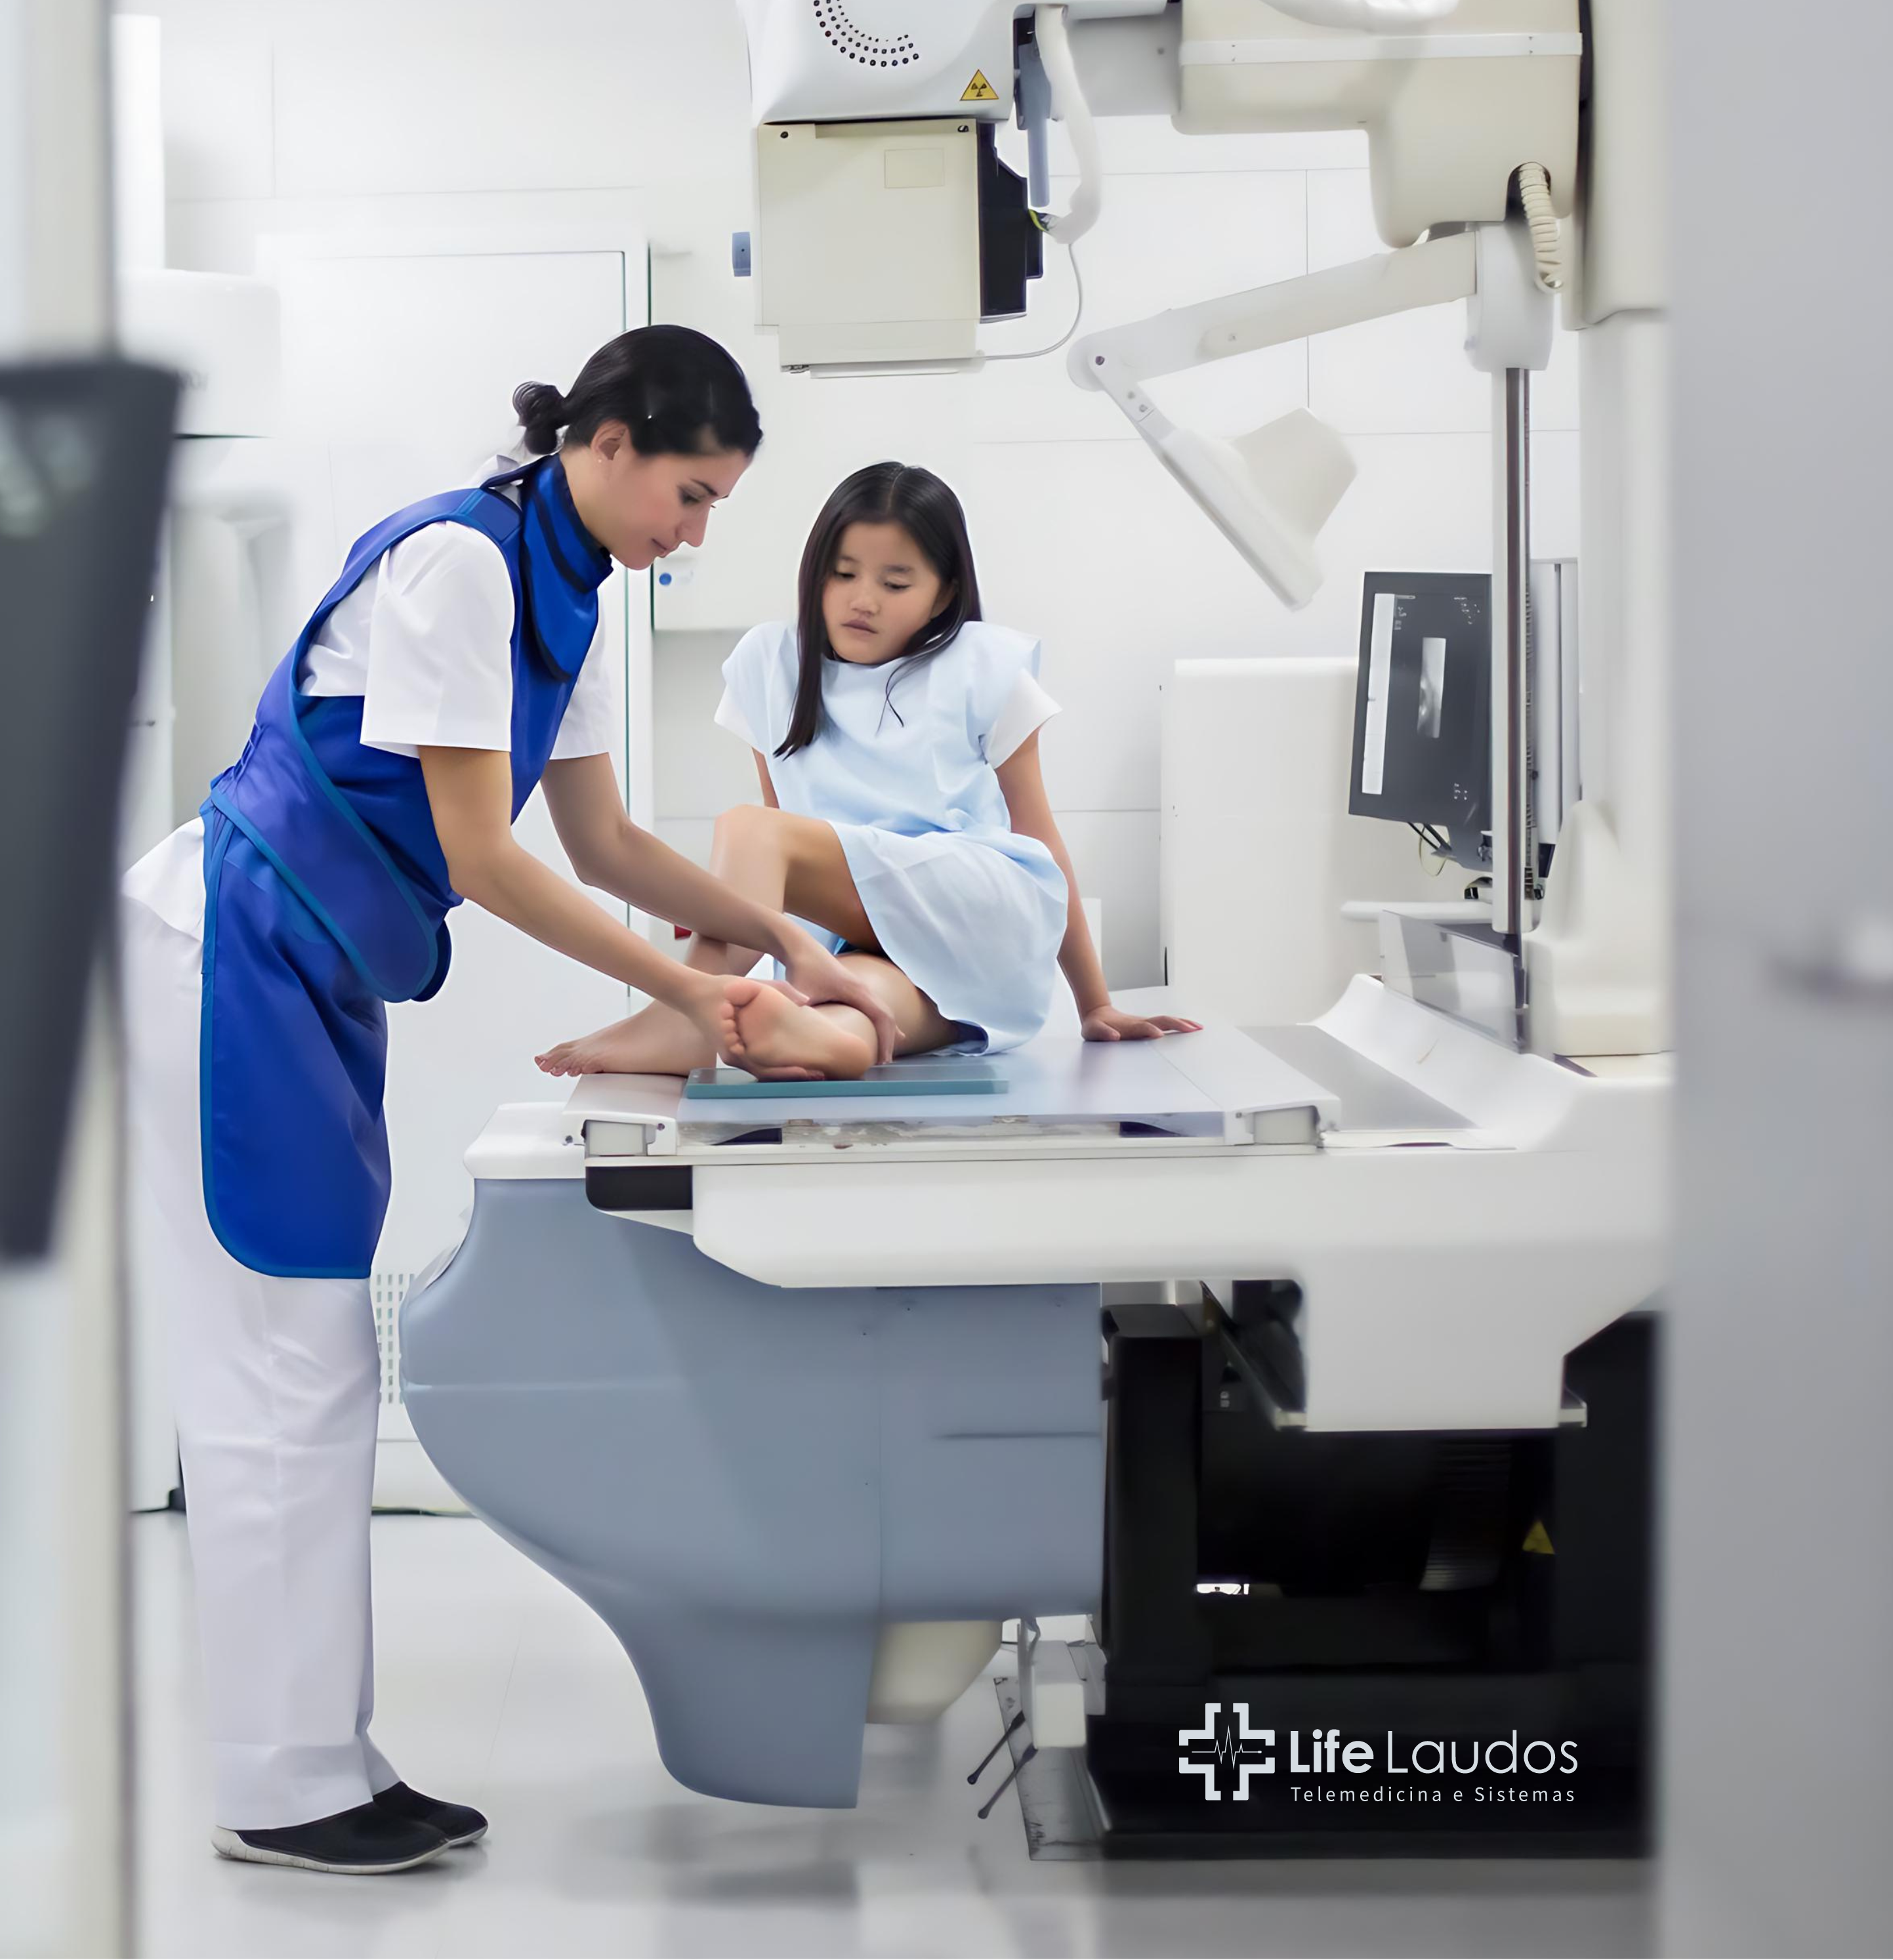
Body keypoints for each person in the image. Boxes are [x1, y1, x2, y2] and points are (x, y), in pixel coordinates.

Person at [117, 327, 899, 1875]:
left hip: (312, 965)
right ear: (601, 442)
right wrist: (691, 998)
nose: (694, 531)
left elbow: (602, 843)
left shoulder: (569, 593)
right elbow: (483, 858)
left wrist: (790, 937)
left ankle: (316, 1761)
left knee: (309, 1360)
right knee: (282, 1363)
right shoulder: (460, 567)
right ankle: (282, 1782)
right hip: (231, 943)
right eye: (687, 491)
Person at [537, 461, 1197, 1081]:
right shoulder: (770, 667)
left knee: (751, 829)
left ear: (942, 596)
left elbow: (1039, 844)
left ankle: (686, 1017)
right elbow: (779, 879)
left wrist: (1094, 1004)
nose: (863, 600)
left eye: (894, 583)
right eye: (843, 573)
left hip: (976, 909)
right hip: (869, 940)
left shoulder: (981, 664)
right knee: (851, 1014)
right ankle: (818, 1041)